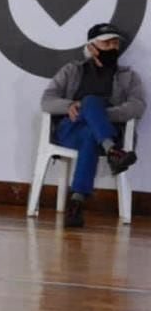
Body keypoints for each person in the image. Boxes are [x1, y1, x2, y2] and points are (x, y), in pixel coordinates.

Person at [40, 22, 145, 228]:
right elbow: (47, 100)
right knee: (90, 103)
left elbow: (137, 106)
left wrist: (97, 114)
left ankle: (76, 202)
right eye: (106, 44)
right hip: (70, 131)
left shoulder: (128, 76)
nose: (113, 48)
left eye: (115, 43)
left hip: (100, 133)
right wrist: (70, 105)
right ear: (91, 48)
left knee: (90, 121)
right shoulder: (72, 70)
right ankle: (113, 152)